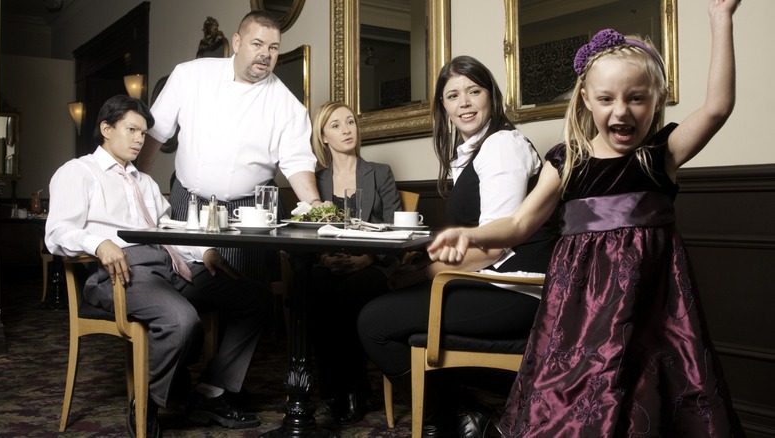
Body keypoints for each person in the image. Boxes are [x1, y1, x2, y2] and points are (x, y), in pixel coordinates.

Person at [428, 1, 745, 436]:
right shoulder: (567, 161)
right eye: (606, 99)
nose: (622, 111)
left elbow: (718, 107)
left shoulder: (660, 156)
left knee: (648, 395)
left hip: (652, 304)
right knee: (579, 401)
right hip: (581, 309)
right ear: (586, 100)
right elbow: (520, 224)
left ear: (657, 100)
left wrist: (720, 19)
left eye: (637, 98)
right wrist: (470, 234)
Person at [45, 95, 273, 438]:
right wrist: (99, 243)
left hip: (170, 266)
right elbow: (57, 232)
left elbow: (166, 232)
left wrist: (205, 253)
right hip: (119, 271)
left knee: (255, 296)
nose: (140, 139)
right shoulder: (78, 172)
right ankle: (147, 401)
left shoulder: (145, 182)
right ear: (106, 129)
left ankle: (211, 391)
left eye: (144, 132)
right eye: (132, 130)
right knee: (182, 320)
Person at [358, 56, 558, 438]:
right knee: (377, 295)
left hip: (517, 289)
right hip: (490, 280)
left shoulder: (502, 146)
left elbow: (495, 246)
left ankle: (458, 413)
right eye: (453, 95)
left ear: (491, 97)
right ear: (444, 107)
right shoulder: (470, 153)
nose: (464, 102)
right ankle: (453, 413)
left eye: (474, 91)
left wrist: (420, 273)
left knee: (374, 321)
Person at [137, 10, 322, 282]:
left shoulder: (287, 105)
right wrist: (139, 184)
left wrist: (316, 206)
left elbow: (297, 163)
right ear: (237, 42)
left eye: (273, 47)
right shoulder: (190, 75)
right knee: (186, 283)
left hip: (249, 212)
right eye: (257, 44)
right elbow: (156, 133)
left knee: (246, 287)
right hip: (188, 201)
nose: (265, 54)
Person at [308, 101, 402, 425]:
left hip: (374, 264)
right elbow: (308, 229)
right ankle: (331, 392)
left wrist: (367, 258)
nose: (347, 130)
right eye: (336, 125)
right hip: (331, 263)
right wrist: (324, 256)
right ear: (323, 137)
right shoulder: (315, 180)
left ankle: (355, 389)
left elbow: (397, 230)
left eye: (350, 122)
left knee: (346, 295)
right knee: (316, 286)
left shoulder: (380, 172)